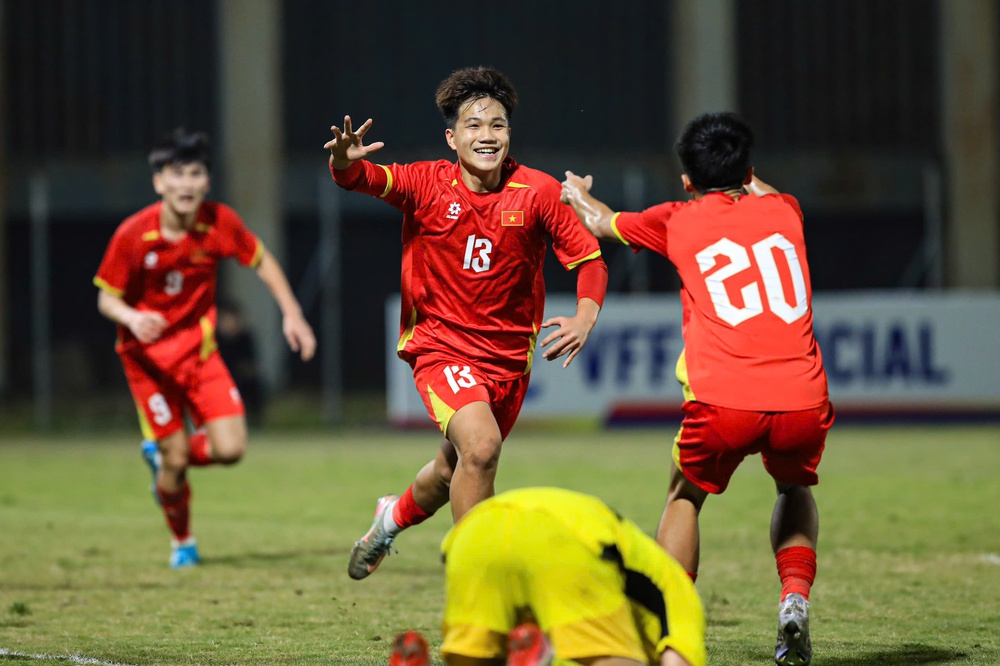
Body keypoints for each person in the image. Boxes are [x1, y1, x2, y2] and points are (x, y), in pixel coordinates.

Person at [560, 111, 833, 666]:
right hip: (803, 397)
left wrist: (575, 195)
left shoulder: (676, 218)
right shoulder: (786, 211)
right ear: (749, 168)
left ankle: (673, 628)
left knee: (684, 498)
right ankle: (793, 602)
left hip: (724, 400)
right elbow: (759, 186)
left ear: (686, 180)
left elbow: (602, 221)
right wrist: (740, 165)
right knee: (793, 491)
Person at [324, 66, 608, 581]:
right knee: (480, 447)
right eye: (474, 126)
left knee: (452, 470)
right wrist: (343, 161)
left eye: (497, 126)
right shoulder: (425, 182)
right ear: (452, 138)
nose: (487, 136)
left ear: (509, 135)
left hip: (507, 364)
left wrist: (586, 314)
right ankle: (481, 584)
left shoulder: (538, 192)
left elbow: (589, 261)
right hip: (441, 349)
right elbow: (361, 178)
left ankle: (389, 520)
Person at [94, 128, 316, 568]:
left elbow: (262, 260)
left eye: (195, 174)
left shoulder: (219, 222)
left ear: (207, 182)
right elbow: (106, 298)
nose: (186, 184)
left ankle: (165, 459)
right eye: (176, 174)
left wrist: (292, 314)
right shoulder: (133, 235)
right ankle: (183, 542)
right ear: (159, 182)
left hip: (198, 354)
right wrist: (133, 318)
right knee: (175, 458)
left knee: (231, 449)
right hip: (148, 364)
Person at [388, 487, 707, 666]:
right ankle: (547, 662)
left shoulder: (656, 571)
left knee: (477, 661)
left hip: (473, 533)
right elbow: (679, 660)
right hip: (565, 539)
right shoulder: (680, 596)